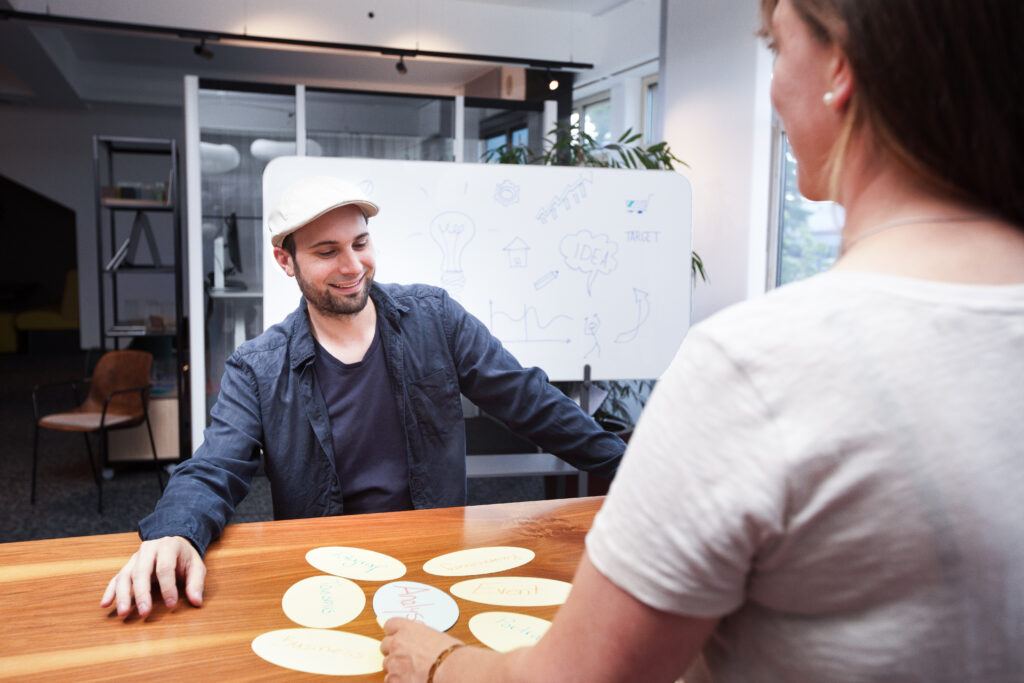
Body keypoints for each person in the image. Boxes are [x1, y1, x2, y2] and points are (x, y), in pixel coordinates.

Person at [380, 0, 1024, 680]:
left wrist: (440, 660)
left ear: (840, 66)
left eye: (775, 48)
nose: (773, 86)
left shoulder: (756, 366)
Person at [100, 176, 625, 619]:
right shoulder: (258, 367)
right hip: (324, 576)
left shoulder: (434, 319)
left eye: (360, 243)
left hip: (436, 561)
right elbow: (213, 467)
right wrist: (174, 534)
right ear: (286, 261)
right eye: (328, 252)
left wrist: (631, 469)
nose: (353, 266)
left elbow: (529, 401)